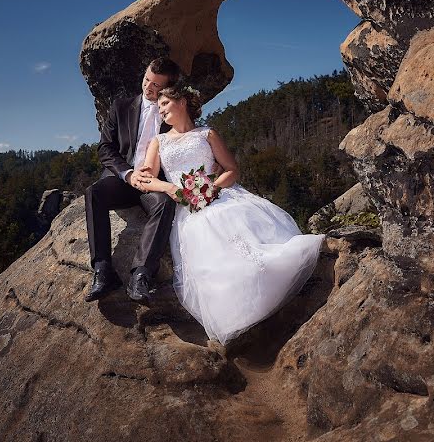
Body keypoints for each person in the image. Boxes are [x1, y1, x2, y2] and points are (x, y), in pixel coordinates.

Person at [134, 81, 325, 345]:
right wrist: (171, 188)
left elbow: (232, 170)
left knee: (245, 239)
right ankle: (240, 313)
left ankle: (269, 286)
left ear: (182, 102)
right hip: (186, 206)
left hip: (219, 195)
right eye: (158, 107)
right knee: (210, 249)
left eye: (165, 103)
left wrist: (210, 188)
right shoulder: (159, 141)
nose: (161, 110)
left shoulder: (207, 134)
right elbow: (147, 179)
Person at [84, 57, 181, 303]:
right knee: (94, 192)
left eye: (157, 85)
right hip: (124, 179)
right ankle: (103, 271)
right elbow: (105, 148)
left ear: (168, 88)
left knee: (165, 203)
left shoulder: (173, 113)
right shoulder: (121, 107)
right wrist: (127, 173)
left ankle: (141, 275)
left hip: (153, 184)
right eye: (147, 79)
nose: (149, 87)